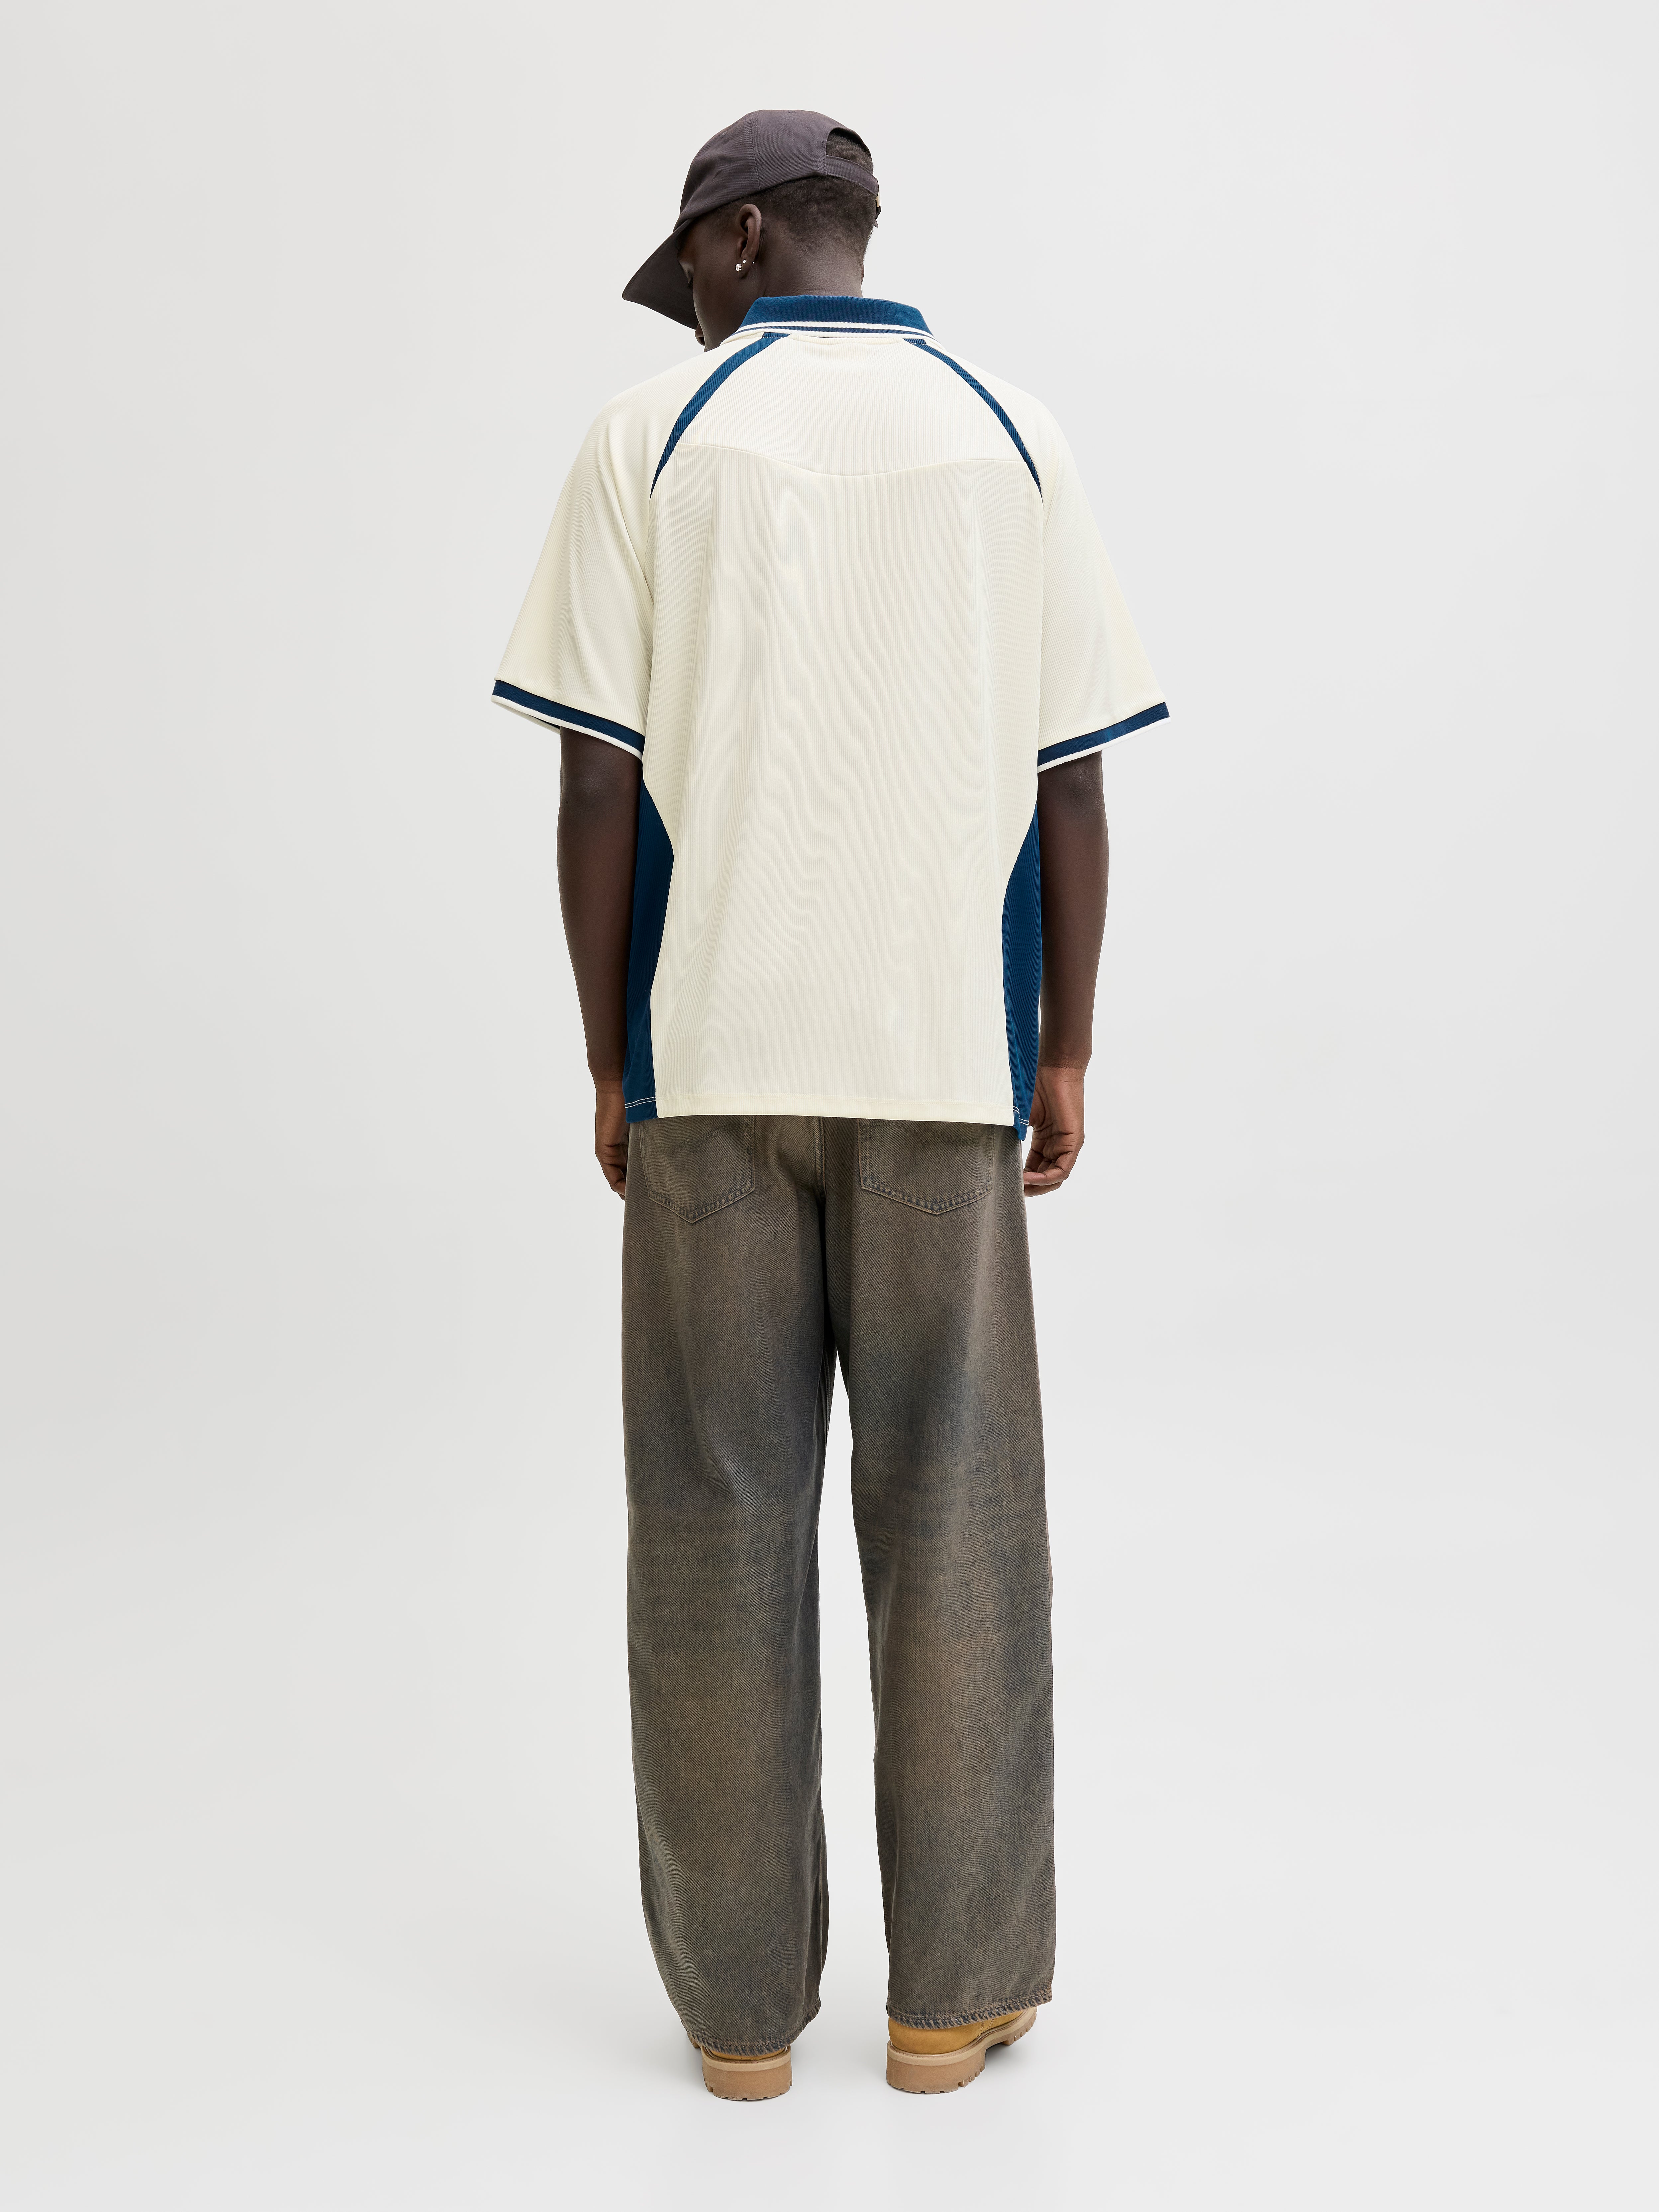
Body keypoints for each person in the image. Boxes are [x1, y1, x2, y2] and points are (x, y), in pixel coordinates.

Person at [492, 110, 1166, 2100]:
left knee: (711, 1526)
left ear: (740, 239)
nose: (687, 312)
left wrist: (609, 1057)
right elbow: (1070, 775)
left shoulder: (653, 440)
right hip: (942, 1067)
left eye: (689, 275)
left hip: (708, 1069)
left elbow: (595, 779)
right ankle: (950, 1999)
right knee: (959, 1520)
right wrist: (1063, 1047)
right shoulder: (1010, 433)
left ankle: (736, 2020)